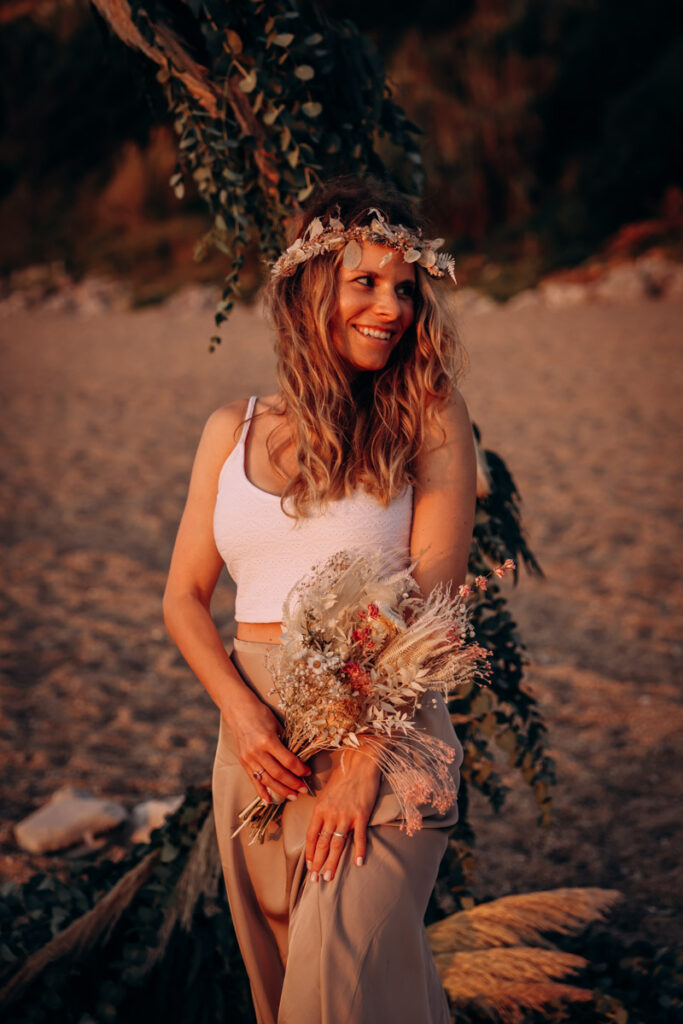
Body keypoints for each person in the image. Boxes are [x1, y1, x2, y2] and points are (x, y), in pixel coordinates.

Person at [162, 179, 477, 1024]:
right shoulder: (231, 428)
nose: (391, 307)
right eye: (364, 281)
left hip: (388, 736)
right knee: (292, 989)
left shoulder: (430, 417)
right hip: (259, 747)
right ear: (312, 289)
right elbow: (185, 600)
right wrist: (241, 712)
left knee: (328, 992)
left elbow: (432, 605)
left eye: (405, 287)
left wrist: (362, 767)